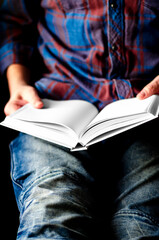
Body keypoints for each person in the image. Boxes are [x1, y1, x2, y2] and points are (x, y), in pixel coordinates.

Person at [1, 0, 159, 239]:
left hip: (147, 113)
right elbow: (12, 21)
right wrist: (18, 84)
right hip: (55, 109)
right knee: (51, 210)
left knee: (141, 224)